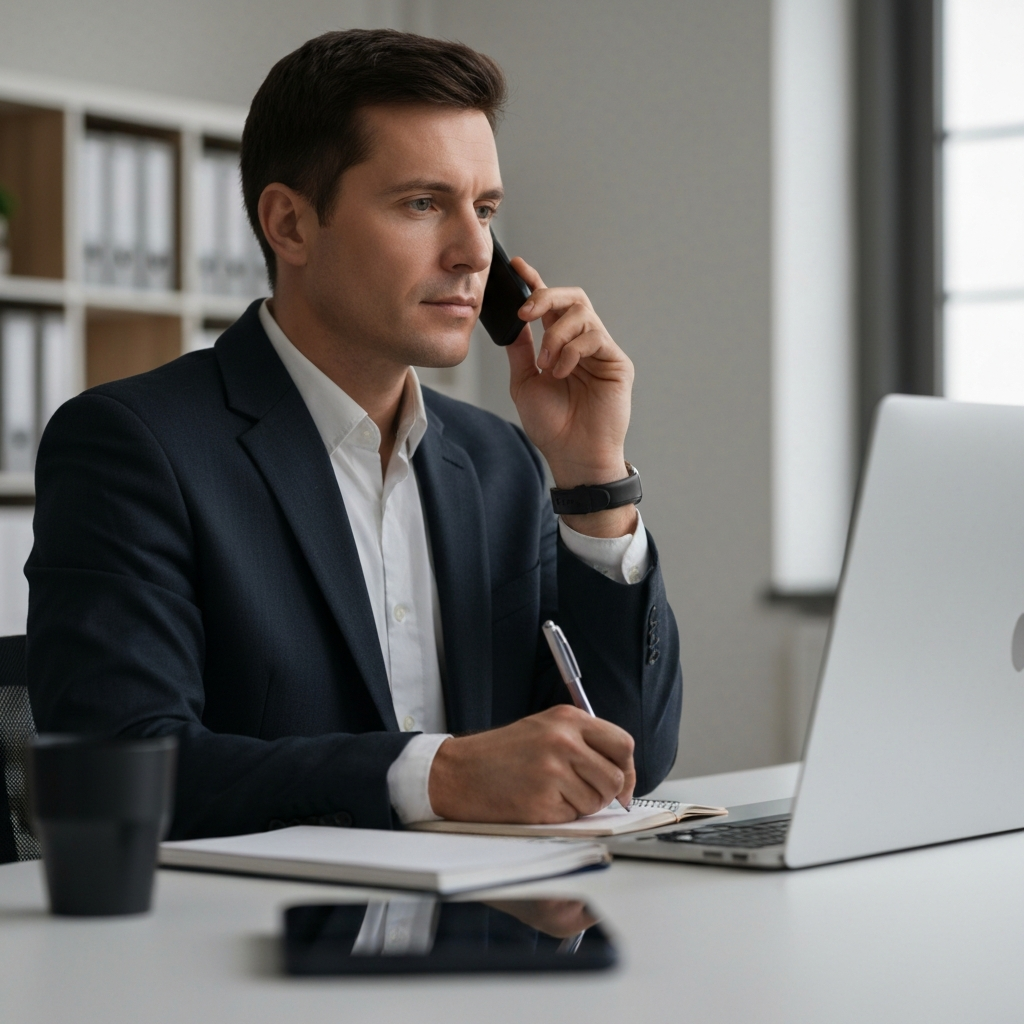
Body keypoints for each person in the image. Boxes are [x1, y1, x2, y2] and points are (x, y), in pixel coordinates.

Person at [26, 29, 682, 839]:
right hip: (244, 946)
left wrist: (593, 479)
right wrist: (436, 775)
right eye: (422, 203)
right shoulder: (134, 447)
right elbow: (117, 765)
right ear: (290, 225)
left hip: (485, 935)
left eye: (484, 211)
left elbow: (633, 761)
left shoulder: (499, 463)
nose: (475, 253)